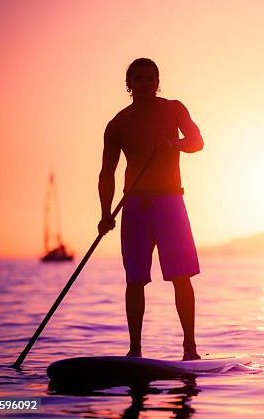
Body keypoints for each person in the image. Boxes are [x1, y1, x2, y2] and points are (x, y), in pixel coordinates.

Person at [97, 58, 204, 360]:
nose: (144, 84)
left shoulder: (174, 109)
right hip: (134, 206)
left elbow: (197, 141)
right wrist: (105, 213)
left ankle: (190, 349)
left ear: (158, 82)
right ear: (128, 84)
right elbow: (107, 172)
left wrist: (176, 144)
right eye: (138, 79)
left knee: (181, 277)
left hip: (170, 203)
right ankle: (135, 351)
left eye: (150, 79)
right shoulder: (118, 124)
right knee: (135, 280)